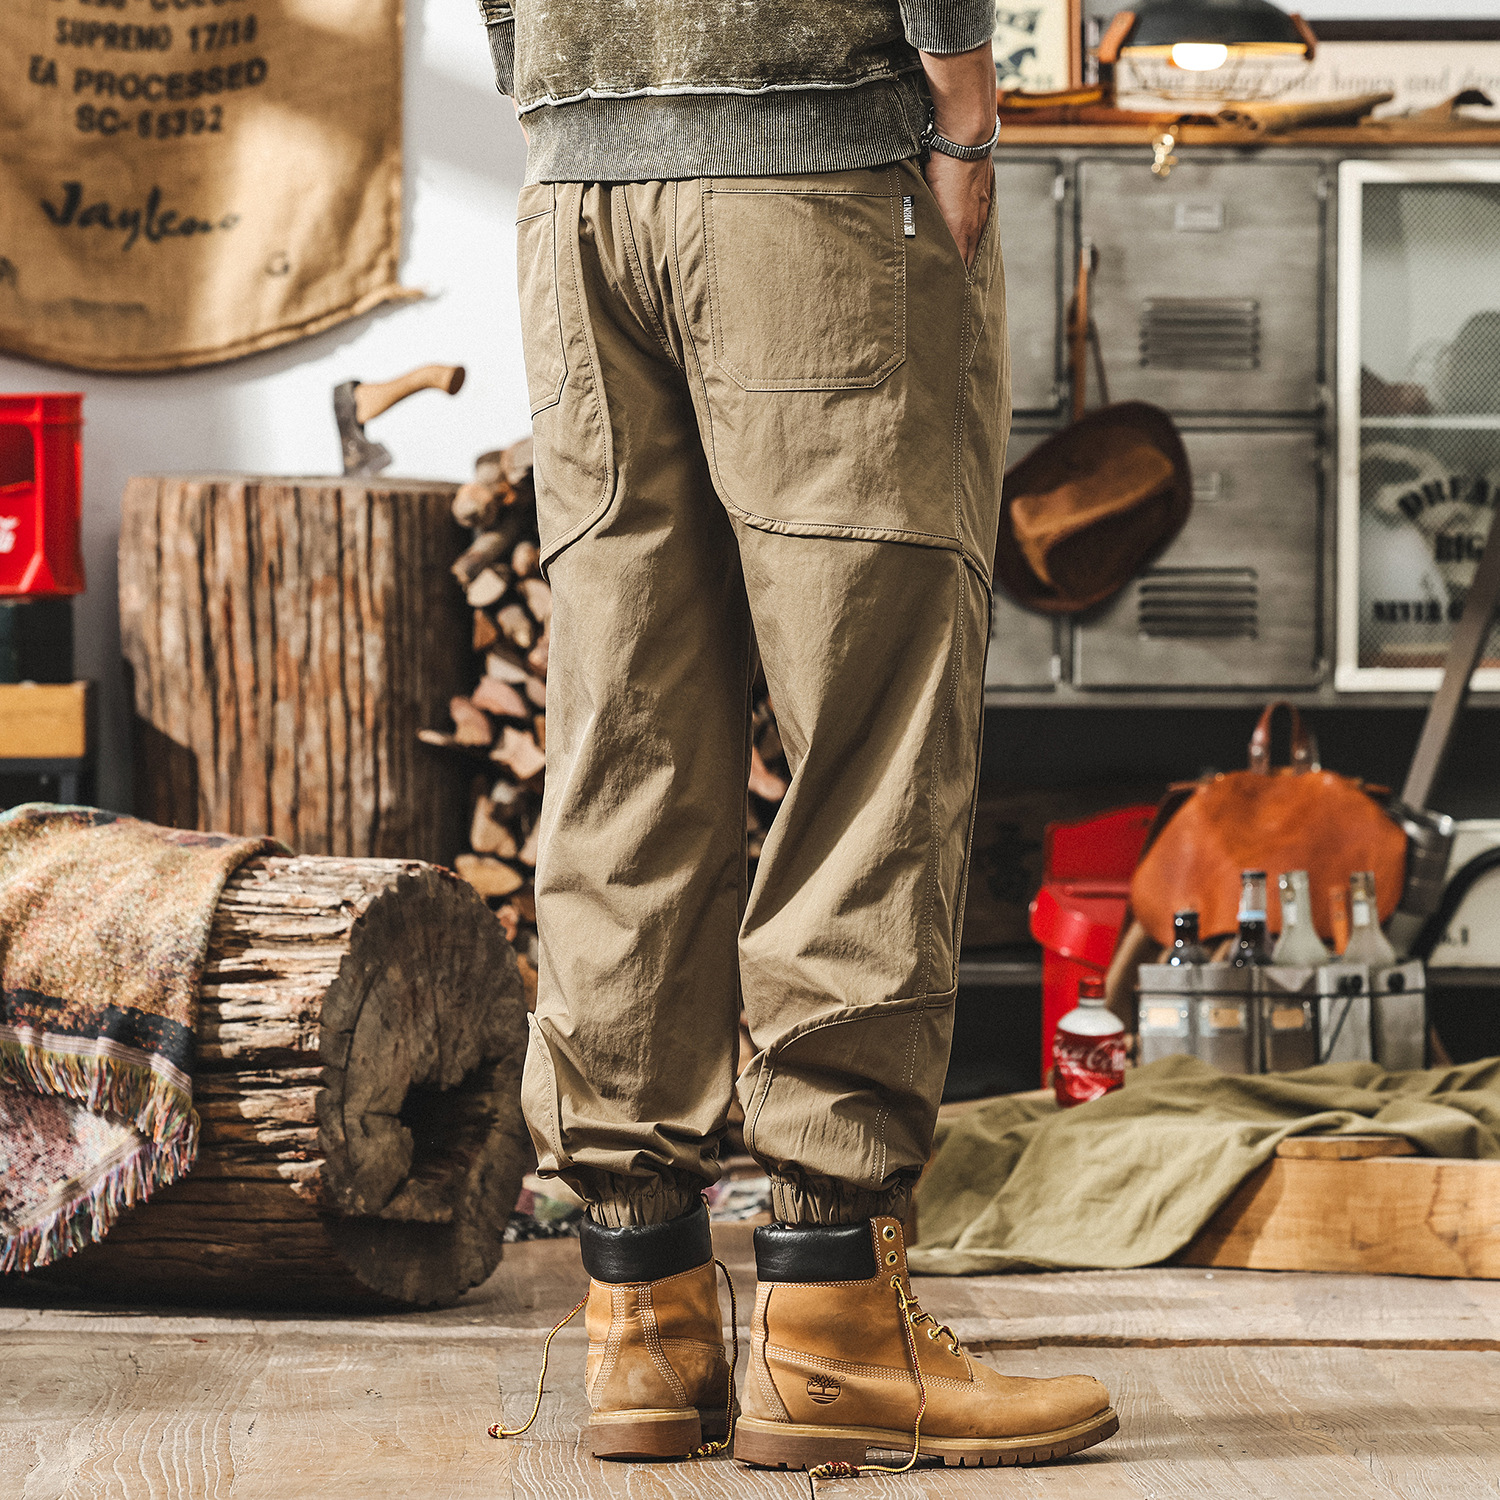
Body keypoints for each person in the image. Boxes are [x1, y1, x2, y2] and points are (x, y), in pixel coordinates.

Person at [477, 0, 1117, 1473]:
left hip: (580, 187)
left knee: (625, 736)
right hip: (811, 166)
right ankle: (832, 1319)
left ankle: (641, 1314)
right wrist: (962, 98)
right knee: (868, 732)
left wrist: (558, 86)